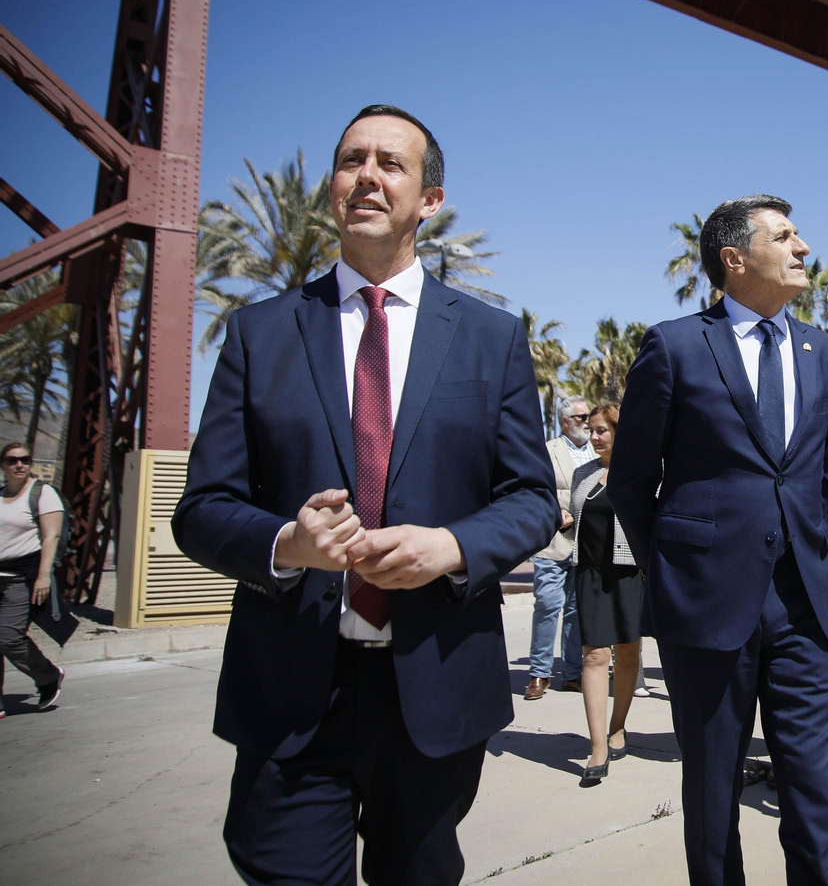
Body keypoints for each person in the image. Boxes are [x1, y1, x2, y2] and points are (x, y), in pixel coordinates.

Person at [173, 104, 559, 886]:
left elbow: (532, 499)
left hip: (434, 686)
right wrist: (288, 545)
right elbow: (203, 508)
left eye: (392, 163)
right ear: (332, 187)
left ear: (431, 199)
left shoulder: (492, 340)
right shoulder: (260, 335)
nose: (368, 177)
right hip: (290, 689)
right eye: (352, 160)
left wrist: (449, 547)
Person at [610, 194, 828, 886]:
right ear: (735, 259)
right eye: (785, 235)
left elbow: (821, 475)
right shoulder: (676, 345)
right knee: (713, 793)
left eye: (799, 233)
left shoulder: (824, 354)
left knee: (812, 791)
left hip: (805, 605)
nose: (802, 247)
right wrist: (678, 570)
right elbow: (631, 481)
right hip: (706, 606)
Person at [568, 402, 644, 783]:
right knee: (594, 655)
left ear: (619, 431)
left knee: (629, 652)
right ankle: (598, 747)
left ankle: (618, 727)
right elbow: (575, 519)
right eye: (591, 430)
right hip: (590, 572)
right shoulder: (583, 472)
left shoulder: (643, 471)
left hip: (630, 572)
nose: (593, 437)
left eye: (601, 430)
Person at [527, 395, 591, 699]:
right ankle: (539, 673)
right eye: (581, 417)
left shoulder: (597, 450)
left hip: (587, 543)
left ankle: (572, 673)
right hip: (554, 541)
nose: (587, 422)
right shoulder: (547, 451)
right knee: (548, 605)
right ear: (565, 422)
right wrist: (555, 514)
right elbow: (535, 490)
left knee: (577, 611)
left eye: (588, 416)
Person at [0, 442, 66, 716]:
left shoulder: (43, 493)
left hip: (20, 578)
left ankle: (48, 676)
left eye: (24, 459)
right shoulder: (1, 495)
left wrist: (42, 577)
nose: (19, 464)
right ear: (3, 465)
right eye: (12, 460)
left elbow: (51, 536)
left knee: (8, 637)